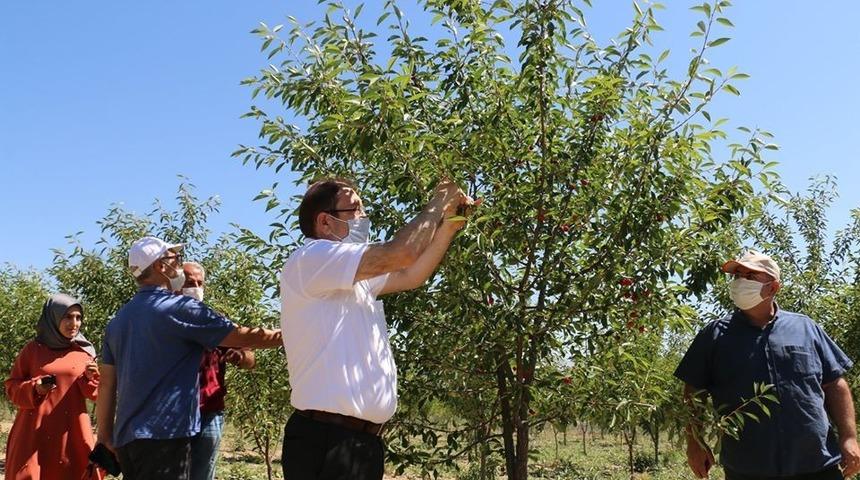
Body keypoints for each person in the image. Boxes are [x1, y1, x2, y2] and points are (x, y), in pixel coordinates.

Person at [279, 177, 476, 480]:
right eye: (355, 210)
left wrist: (448, 226)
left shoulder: (353, 278)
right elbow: (402, 254)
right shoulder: (312, 258)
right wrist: (438, 203)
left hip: (360, 443)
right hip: (327, 440)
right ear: (325, 221)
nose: (364, 218)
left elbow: (411, 275)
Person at [96, 236, 283, 480]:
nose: (178, 265)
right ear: (159, 266)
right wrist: (291, 334)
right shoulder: (180, 308)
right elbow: (242, 336)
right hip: (166, 437)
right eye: (173, 258)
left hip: (128, 439)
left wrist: (105, 436)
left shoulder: (119, 320)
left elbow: (107, 383)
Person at [675, 250, 860, 480]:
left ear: (772, 288)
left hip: (817, 463)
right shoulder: (714, 336)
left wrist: (849, 437)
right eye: (737, 276)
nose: (740, 282)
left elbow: (835, 384)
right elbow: (693, 392)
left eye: (750, 276)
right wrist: (695, 442)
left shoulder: (806, 328)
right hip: (748, 468)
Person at [4, 294, 103, 480]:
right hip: (33, 435)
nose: (74, 323)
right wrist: (35, 388)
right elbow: (12, 388)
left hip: (71, 434)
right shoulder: (32, 350)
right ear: (53, 317)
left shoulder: (84, 352)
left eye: (78, 317)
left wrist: (91, 378)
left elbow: (96, 394)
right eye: (67, 317)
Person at [180, 261, 256, 480]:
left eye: (199, 282)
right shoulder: (165, 318)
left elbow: (250, 357)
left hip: (209, 411)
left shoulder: (215, 319)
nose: (195, 286)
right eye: (189, 282)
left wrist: (240, 357)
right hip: (173, 412)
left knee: (202, 474)